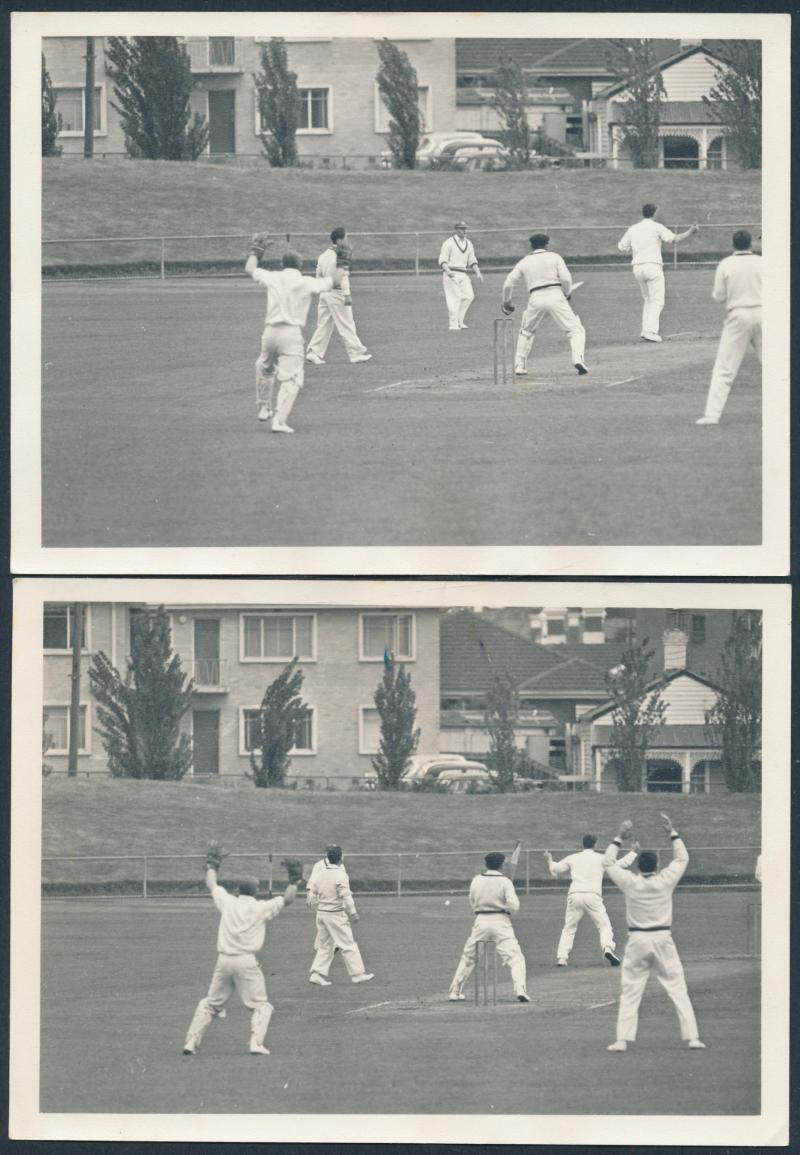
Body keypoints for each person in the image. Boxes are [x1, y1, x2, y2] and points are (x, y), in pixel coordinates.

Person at [602, 814, 706, 1052]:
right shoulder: (665, 880)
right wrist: (673, 833)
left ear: (638, 866)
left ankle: (621, 1040)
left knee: (630, 990)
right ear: (657, 866)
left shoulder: (630, 882)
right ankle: (692, 1038)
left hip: (637, 940)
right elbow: (682, 858)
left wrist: (619, 837)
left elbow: (607, 863)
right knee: (677, 987)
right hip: (662, 939)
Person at [182, 848, 298, 1057]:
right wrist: (294, 880)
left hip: (224, 961)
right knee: (261, 1006)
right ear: (256, 892)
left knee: (211, 1003)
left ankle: (191, 1041)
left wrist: (212, 864)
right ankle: (256, 1043)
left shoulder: (228, 902)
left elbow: (212, 884)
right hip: (246, 961)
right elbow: (288, 899)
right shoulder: (261, 907)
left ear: (237, 890)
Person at [245, 238, 343, 434]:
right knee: (292, 378)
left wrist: (256, 250)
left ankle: (264, 407)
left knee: (264, 368)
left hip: (270, 332)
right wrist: (343, 260)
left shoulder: (273, 277)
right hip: (291, 334)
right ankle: (279, 421)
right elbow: (335, 281)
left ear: (283, 264)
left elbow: (250, 268)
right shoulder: (305, 281)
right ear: (300, 265)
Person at [696, 229, 762, 425]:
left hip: (738, 315)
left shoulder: (726, 264)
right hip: (764, 314)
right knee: (775, 366)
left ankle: (712, 415)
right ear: (751, 243)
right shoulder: (762, 262)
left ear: (733, 244)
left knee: (725, 368)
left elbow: (719, 296)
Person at [543, 833, 637, 967]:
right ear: (595, 844)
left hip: (575, 895)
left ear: (583, 844)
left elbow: (555, 869)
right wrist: (633, 852)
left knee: (569, 927)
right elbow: (622, 864)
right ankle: (607, 948)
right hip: (593, 896)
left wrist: (549, 859)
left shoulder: (573, 857)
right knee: (604, 925)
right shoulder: (601, 858)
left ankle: (562, 958)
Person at [501, 233, 588, 376]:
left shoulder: (524, 261)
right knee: (575, 330)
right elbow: (566, 279)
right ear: (547, 245)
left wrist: (506, 302)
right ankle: (578, 359)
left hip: (535, 297)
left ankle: (519, 366)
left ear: (531, 246)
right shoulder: (555, 257)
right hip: (556, 294)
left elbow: (508, 283)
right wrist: (567, 293)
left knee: (526, 332)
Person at [448, 851, 530, 1003]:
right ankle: (520, 990)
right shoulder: (505, 882)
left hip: (481, 921)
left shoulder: (476, 880)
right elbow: (514, 906)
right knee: (515, 957)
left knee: (469, 957)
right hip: (501, 922)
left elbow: (472, 900)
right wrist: (507, 909)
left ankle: (455, 991)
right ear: (501, 865)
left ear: (486, 864)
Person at [617, 205, 699, 342]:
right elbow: (674, 239)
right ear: (654, 214)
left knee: (648, 299)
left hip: (637, 268)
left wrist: (636, 248)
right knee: (657, 301)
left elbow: (621, 247)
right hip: (652, 267)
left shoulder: (633, 229)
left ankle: (645, 330)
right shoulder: (657, 227)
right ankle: (650, 331)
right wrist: (690, 231)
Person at [306, 845, 374, 985]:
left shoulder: (320, 873)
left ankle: (316, 974)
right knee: (348, 944)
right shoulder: (340, 874)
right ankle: (357, 974)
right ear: (340, 858)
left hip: (322, 914)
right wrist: (353, 912)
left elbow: (312, 893)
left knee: (326, 945)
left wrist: (315, 904)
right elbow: (346, 895)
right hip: (335, 914)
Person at [306, 226, 372, 366]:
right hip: (337, 293)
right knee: (346, 324)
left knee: (323, 325)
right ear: (340, 240)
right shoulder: (341, 255)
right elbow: (343, 276)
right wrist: (347, 294)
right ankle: (356, 354)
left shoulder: (323, 255)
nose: (347, 240)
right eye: (346, 237)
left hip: (324, 292)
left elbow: (318, 274)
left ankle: (314, 352)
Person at [438, 220, 483, 330]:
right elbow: (442, 259)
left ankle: (459, 321)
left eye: (466, 229)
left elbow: (472, 260)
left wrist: (478, 272)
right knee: (454, 298)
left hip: (463, 273)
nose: (465, 231)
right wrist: (448, 271)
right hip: (451, 273)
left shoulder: (469, 243)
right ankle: (453, 324)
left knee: (469, 296)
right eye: (462, 229)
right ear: (456, 230)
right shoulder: (448, 243)